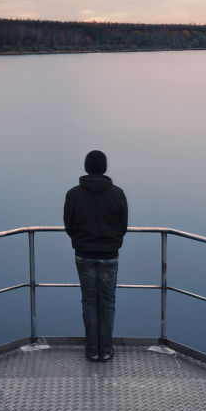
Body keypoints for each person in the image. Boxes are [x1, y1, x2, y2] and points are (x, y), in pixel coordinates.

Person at [63, 150, 128, 362]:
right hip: (109, 255)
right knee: (107, 302)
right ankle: (106, 350)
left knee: (89, 301)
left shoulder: (73, 194)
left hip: (83, 254)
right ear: (105, 168)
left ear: (86, 167)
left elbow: (69, 225)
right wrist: (112, 242)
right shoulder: (117, 194)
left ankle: (92, 350)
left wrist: (81, 240)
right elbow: (123, 226)